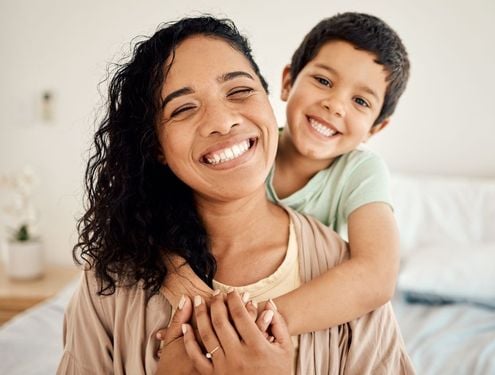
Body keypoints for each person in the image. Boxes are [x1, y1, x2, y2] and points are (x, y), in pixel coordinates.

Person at [58, 15, 414, 374]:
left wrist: (256, 325)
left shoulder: (347, 267)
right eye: (183, 108)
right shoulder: (112, 279)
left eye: (239, 91)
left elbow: (376, 274)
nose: (223, 122)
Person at [261, 11, 411, 334]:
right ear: (288, 82)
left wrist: (258, 322)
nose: (335, 105)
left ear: (376, 127)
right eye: (324, 81)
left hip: (293, 319)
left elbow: (377, 274)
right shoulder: (252, 146)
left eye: (360, 101)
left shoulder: (360, 172)